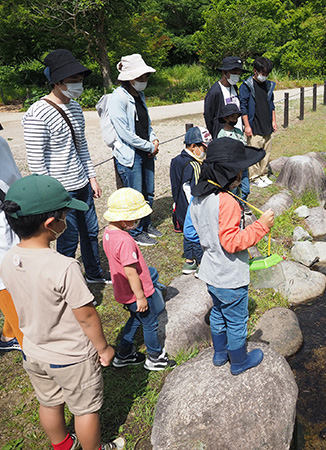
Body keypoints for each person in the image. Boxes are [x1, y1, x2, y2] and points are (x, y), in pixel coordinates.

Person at [0, 174, 124, 450]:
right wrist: (103, 349)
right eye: (65, 214)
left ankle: (63, 445)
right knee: (85, 410)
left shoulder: (8, 258)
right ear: (50, 224)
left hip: (33, 350)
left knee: (49, 402)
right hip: (71, 358)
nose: (67, 219)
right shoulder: (64, 267)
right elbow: (87, 316)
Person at [22, 49, 110, 284]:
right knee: (67, 239)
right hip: (60, 191)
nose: (78, 84)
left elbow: (81, 147)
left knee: (91, 232)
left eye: (80, 79)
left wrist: (91, 177)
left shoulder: (76, 108)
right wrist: (51, 195)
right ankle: (65, 283)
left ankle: (93, 273)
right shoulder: (37, 113)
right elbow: (36, 162)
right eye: (73, 80)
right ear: (58, 82)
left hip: (82, 184)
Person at [189, 138, 274, 375]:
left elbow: (197, 231)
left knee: (218, 311)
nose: (242, 175)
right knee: (237, 319)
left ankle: (219, 353)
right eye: (240, 171)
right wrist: (261, 226)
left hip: (211, 271)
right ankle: (238, 361)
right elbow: (232, 242)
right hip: (230, 276)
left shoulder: (198, 197)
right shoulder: (227, 202)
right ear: (229, 174)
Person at [102, 188, 175, 371]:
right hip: (138, 292)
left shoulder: (108, 234)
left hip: (123, 291)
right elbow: (131, 272)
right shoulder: (125, 241)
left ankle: (124, 354)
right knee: (150, 324)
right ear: (123, 218)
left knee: (135, 319)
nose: (137, 221)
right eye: (134, 217)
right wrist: (141, 297)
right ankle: (155, 357)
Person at [108, 54, 162, 247]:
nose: (144, 81)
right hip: (131, 155)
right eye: (141, 77)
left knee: (149, 192)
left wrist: (153, 138)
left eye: (146, 76)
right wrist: (150, 146)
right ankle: (136, 232)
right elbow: (125, 133)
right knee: (135, 195)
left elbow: (146, 123)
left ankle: (146, 225)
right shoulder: (117, 98)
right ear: (129, 77)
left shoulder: (139, 95)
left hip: (146, 151)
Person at [169, 126, 211, 274]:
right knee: (197, 235)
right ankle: (201, 265)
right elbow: (194, 189)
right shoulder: (195, 165)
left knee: (187, 234)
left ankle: (189, 261)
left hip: (180, 204)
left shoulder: (176, 161)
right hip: (192, 205)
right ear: (193, 146)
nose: (204, 152)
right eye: (203, 148)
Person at [239, 56, 277, 188]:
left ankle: (263, 174)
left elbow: (272, 105)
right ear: (255, 71)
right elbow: (243, 108)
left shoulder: (268, 85)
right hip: (254, 124)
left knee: (266, 151)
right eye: (263, 73)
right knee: (254, 151)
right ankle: (254, 177)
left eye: (267, 74)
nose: (265, 76)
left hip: (266, 123)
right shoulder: (246, 86)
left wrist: (274, 121)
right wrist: (247, 126)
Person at [0, 131, 22, 351]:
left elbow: (13, 177)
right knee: (4, 277)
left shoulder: (1, 142)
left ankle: (8, 335)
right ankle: (26, 340)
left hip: (11, 211)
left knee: (18, 266)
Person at [204, 56, 249, 139]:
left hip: (237, 134)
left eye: (239, 74)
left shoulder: (234, 88)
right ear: (224, 72)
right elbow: (209, 117)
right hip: (223, 138)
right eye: (234, 73)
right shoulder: (215, 92)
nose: (237, 76)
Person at [217, 103, 250, 201]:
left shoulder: (238, 131)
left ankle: (243, 203)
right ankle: (235, 206)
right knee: (233, 190)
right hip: (232, 169)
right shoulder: (222, 135)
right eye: (232, 117)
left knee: (245, 188)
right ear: (225, 118)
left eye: (236, 118)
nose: (234, 120)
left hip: (243, 166)